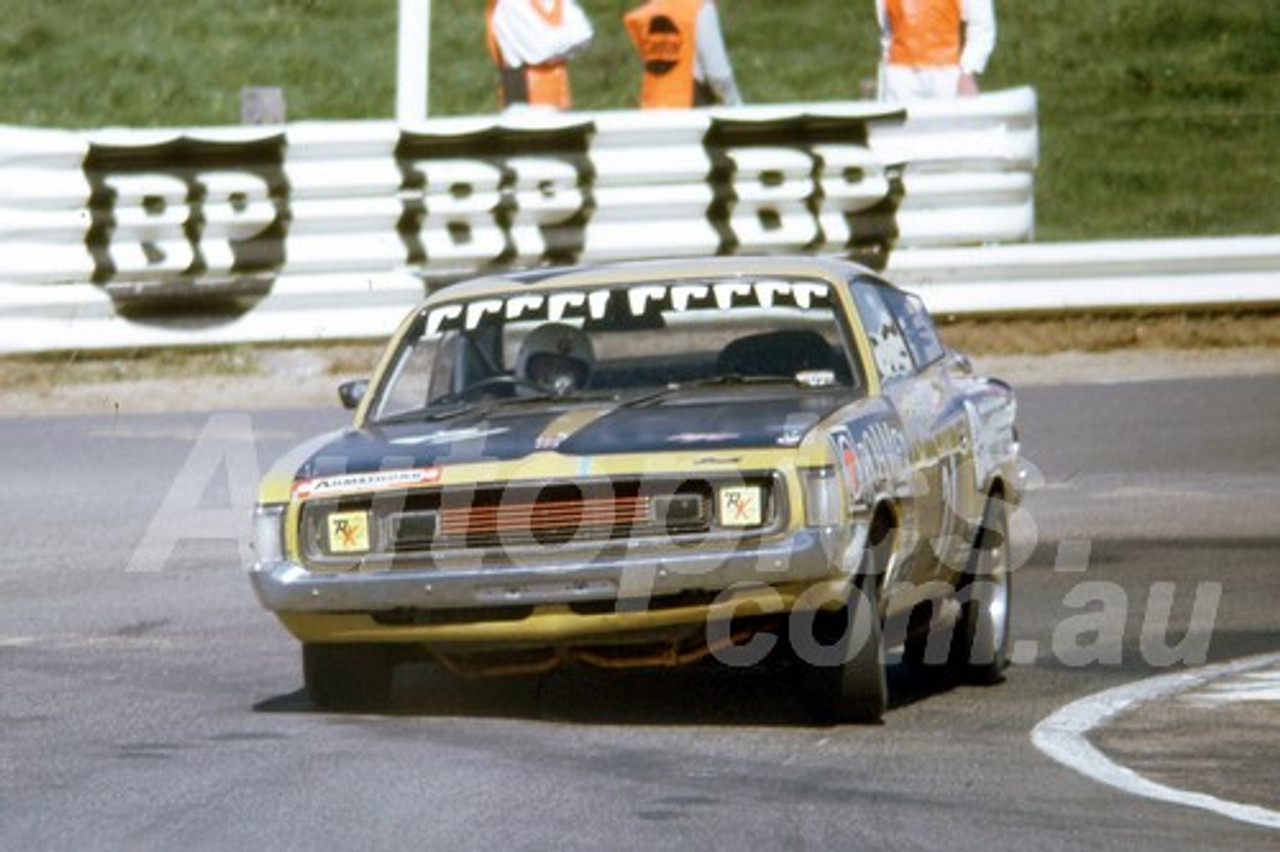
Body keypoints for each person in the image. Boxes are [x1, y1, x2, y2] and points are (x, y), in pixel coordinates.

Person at [624, 0, 742, 108]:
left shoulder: (649, 12)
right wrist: (736, 106)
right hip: (690, 105)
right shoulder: (700, 9)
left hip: (653, 106)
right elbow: (718, 74)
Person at [876, 0, 996, 101]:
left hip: (946, 73)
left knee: (947, 127)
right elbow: (887, 29)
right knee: (898, 128)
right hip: (900, 75)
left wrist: (968, 71)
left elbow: (982, 25)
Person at [485, 0, 594, 110]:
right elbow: (540, 50)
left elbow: (585, 34)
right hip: (524, 99)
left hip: (559, 100)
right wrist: (567, 41)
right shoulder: (509, 4)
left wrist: (554, 40)